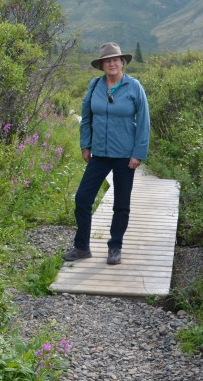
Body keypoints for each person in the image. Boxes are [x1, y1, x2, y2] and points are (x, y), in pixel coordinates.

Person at [64, 42, 150, 265]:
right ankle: (82, 247)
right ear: (102, 65)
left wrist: (138, 154)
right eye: (107, 60)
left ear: (122, 63)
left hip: (125, 155)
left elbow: (143, 122)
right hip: (99, 154)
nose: (112, 63)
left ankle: (115, 247)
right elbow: (86, 118)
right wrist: (86, 145)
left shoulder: (134, 87)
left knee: (121, 204)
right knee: (83, 198)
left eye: (116, 60)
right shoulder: (94, 86)